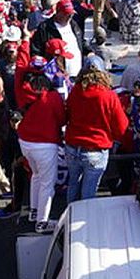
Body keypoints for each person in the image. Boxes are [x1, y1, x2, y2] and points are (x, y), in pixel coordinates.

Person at [62, 66, 127, 203]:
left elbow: (66, 115)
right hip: (95, 149)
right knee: (89, 190)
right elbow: (121, 127)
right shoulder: (109, 95)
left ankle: (70, 213)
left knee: (73, 183)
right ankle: (84, 219)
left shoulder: (76, 91)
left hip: (73, 146)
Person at [14, 69, 65, 233]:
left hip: (25, 142)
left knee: (36, 176)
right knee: (47, 184)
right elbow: (62, 118)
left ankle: (34, 212)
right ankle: (42, 222)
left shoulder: (25, 94)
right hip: (44, 145)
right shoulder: (52, 97)